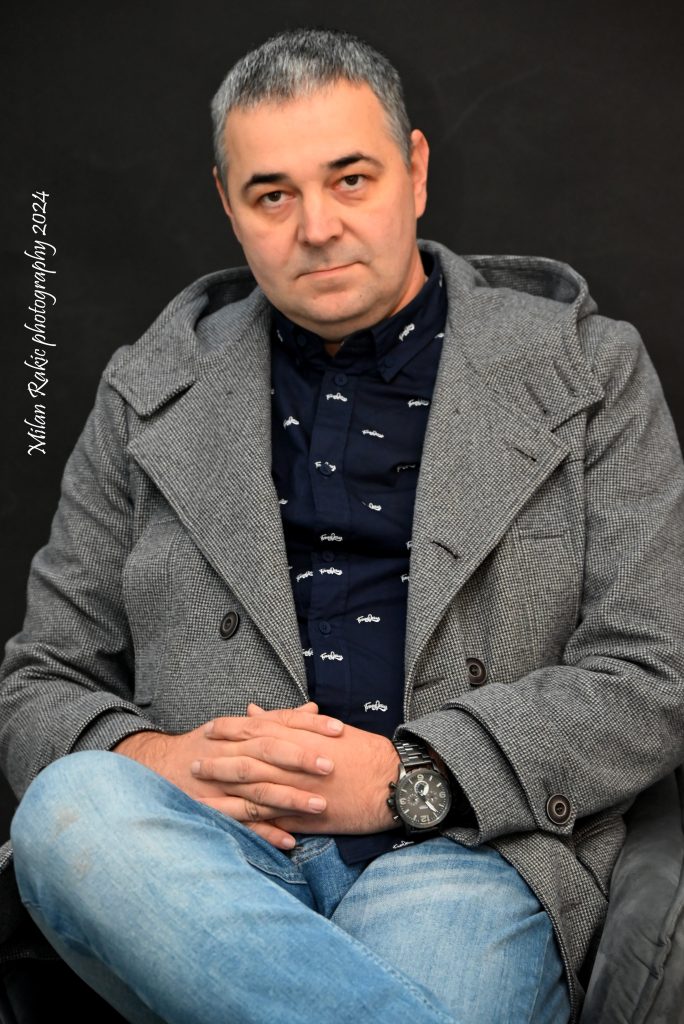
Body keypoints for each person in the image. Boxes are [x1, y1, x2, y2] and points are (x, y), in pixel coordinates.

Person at [1, 25, 683, 1024]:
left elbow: (652, 671)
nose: (316, 227)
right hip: (200, 859)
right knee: (71, 810)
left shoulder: (589, 371)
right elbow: (41, 678)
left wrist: (415, 775)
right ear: (229, 207)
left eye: (351, 179)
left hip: (465, 852)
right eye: (272, 195)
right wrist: (161, 761)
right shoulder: (147, 391)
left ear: (415, 171)